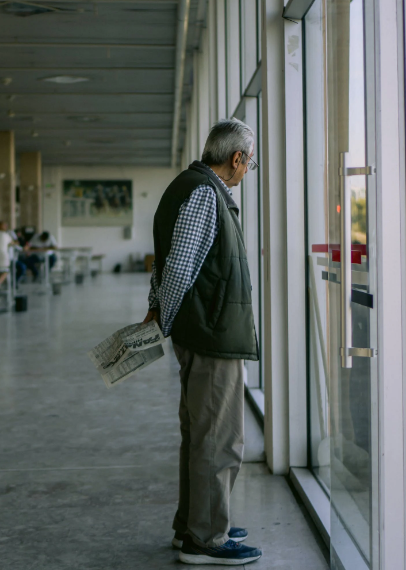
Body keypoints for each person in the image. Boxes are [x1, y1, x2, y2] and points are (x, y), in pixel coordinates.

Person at [144, 119, 262, 566]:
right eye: (249, 162)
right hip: (210, 336)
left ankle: (193, 523)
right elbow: (178, 269)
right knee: (220, 439)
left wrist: (161, 312)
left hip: (204, 332)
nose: (247, 170)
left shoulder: (188, 187)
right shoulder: (202, 193)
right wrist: (167, 320)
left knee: (199, 435)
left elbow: (165, 264)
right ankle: (207, 538)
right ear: (237, 159)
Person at [0, 221, 26, 285]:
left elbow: (16, 242)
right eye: (3, 225)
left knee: (22, 267)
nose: (5, 227)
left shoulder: (9, 233)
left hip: (10, 258)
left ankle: (14, 282)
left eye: (5, 225)